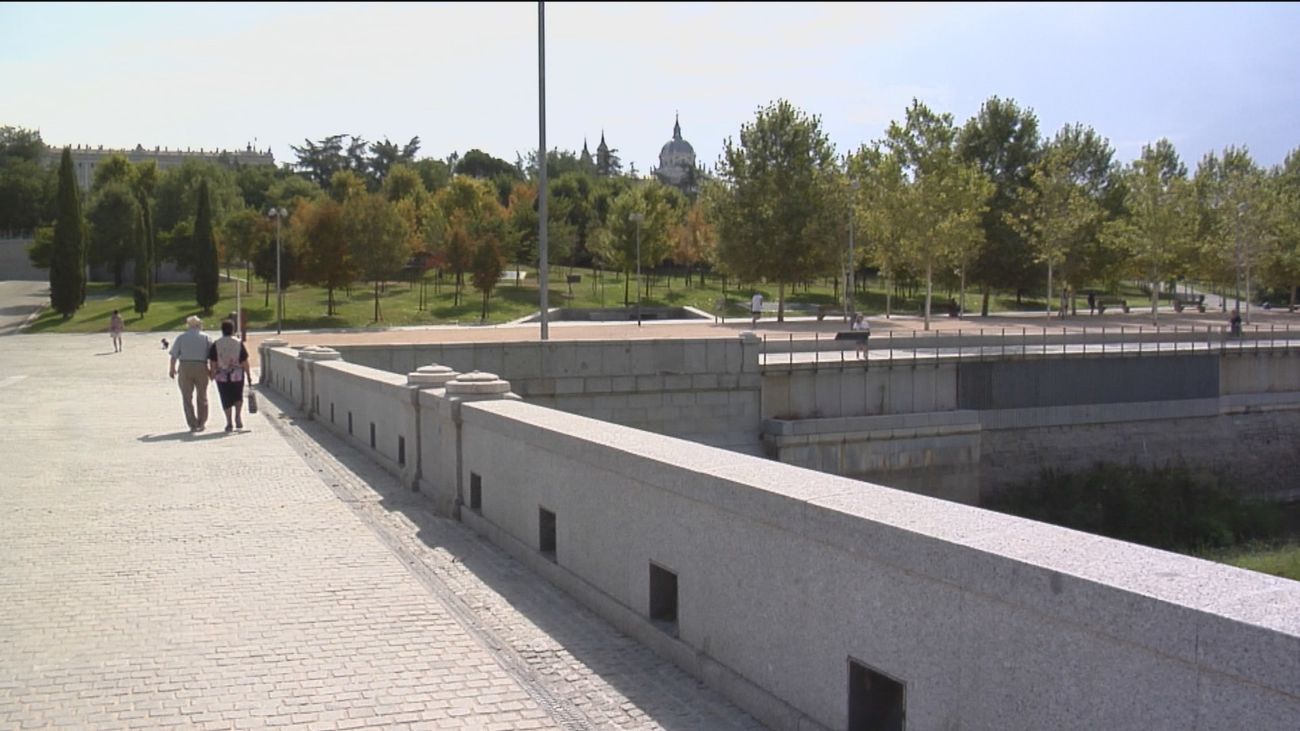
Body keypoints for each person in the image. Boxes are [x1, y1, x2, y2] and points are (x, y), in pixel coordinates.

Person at [168, 315, 212, 432]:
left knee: (187, 397)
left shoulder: (181, 338)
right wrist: (212, 371)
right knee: (202, 396)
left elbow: (174, 355)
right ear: (199, 325)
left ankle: (192, 423)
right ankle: (202, 422)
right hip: (201, 366)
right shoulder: (206, 337)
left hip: (185, 366)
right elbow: (212, 356)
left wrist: (172, 369)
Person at [208, 319, 250, 432]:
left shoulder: (216, 344)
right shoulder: (238, 343)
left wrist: (212, 374)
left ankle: (229, 422)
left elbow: (213, 361)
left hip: (221, 375)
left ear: (222, 330)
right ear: (233, 330)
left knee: (225, 397)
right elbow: (244, 361)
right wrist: (248, 374)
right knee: (238, 395)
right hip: (237, 374)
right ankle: (238, 416)